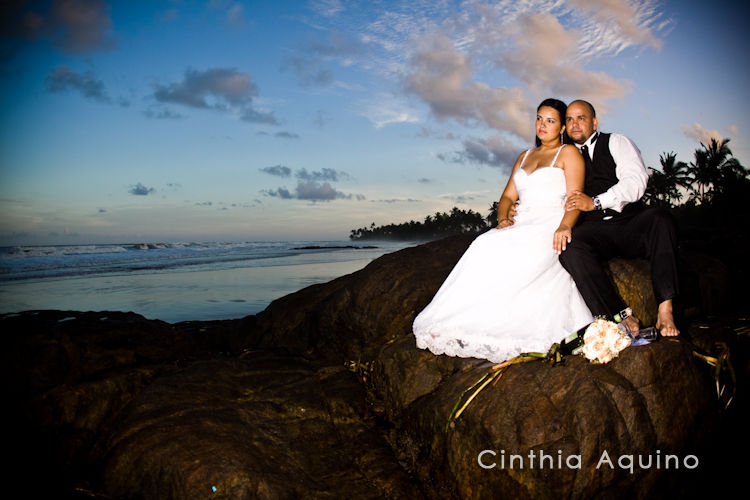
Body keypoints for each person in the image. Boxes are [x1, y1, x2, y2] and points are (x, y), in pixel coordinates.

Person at [413, 98, 593, 364]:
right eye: (539, 118)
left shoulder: (568, 154)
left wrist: (565, 225)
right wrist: (503, 218)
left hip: (549, 222)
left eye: (551, 120)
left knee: (522, 254)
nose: (542, 125)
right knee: (483, 244)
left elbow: (575, 197)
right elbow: (508, 196)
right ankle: (466, 318)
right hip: (522, 221)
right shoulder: (525, 156)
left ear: (562, 127)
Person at [560, 99, 680, 337]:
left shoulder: (616, 142)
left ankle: (665, 309)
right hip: (594, 231)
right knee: (569, 247)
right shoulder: (565, 156)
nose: (574, 124)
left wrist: (595, 202)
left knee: (660, 219)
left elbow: (636, 182)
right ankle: (621, 315)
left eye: (581, 118)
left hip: (627, 223)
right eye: (569, 119)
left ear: (594, 122)